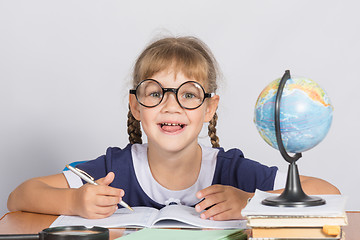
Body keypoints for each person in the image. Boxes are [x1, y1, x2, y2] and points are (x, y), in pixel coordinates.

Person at [7, 36, 340, 221]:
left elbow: (329, 193)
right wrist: (75, 202)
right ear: (136, 105)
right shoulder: (114, 168)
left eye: (189, 95)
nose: (171, 105)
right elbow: (20, 195)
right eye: (155, 93)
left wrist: (250, 201)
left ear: (209, 108)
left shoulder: (230, 170)